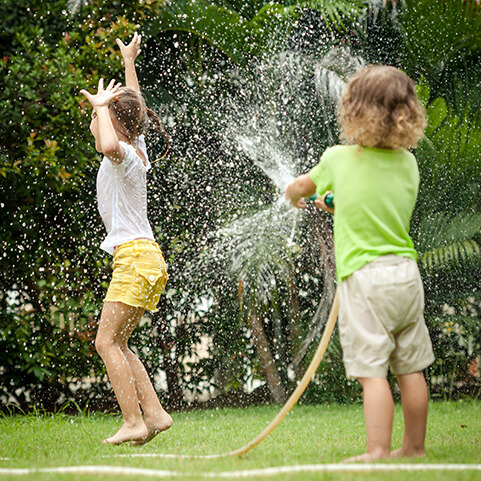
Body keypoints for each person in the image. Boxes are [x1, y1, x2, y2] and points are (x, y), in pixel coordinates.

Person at [285, 65, 435, 462]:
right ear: (407, 114)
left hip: (365, 280)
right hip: (405, 274)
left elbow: (301, 188)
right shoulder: (409, 164)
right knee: (411, 369)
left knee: (374, 373)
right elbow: (375, 204)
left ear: (354, 111)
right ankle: (415, 448)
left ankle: (377, 451)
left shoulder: (337, 158)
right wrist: (335, 203)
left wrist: (291, 191)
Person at [80, 32, 172, 445]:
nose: (98, 118)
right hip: (145, 257)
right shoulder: (138, 146)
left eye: (106, 115)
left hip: (135, 258)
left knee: (105, 342)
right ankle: (153, 414)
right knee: (118, 342)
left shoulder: (122, 156)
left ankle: (134, 421)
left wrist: (101, 108)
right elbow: (133, 105)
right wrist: (129, 63)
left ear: (116, 125)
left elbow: (105, 142)